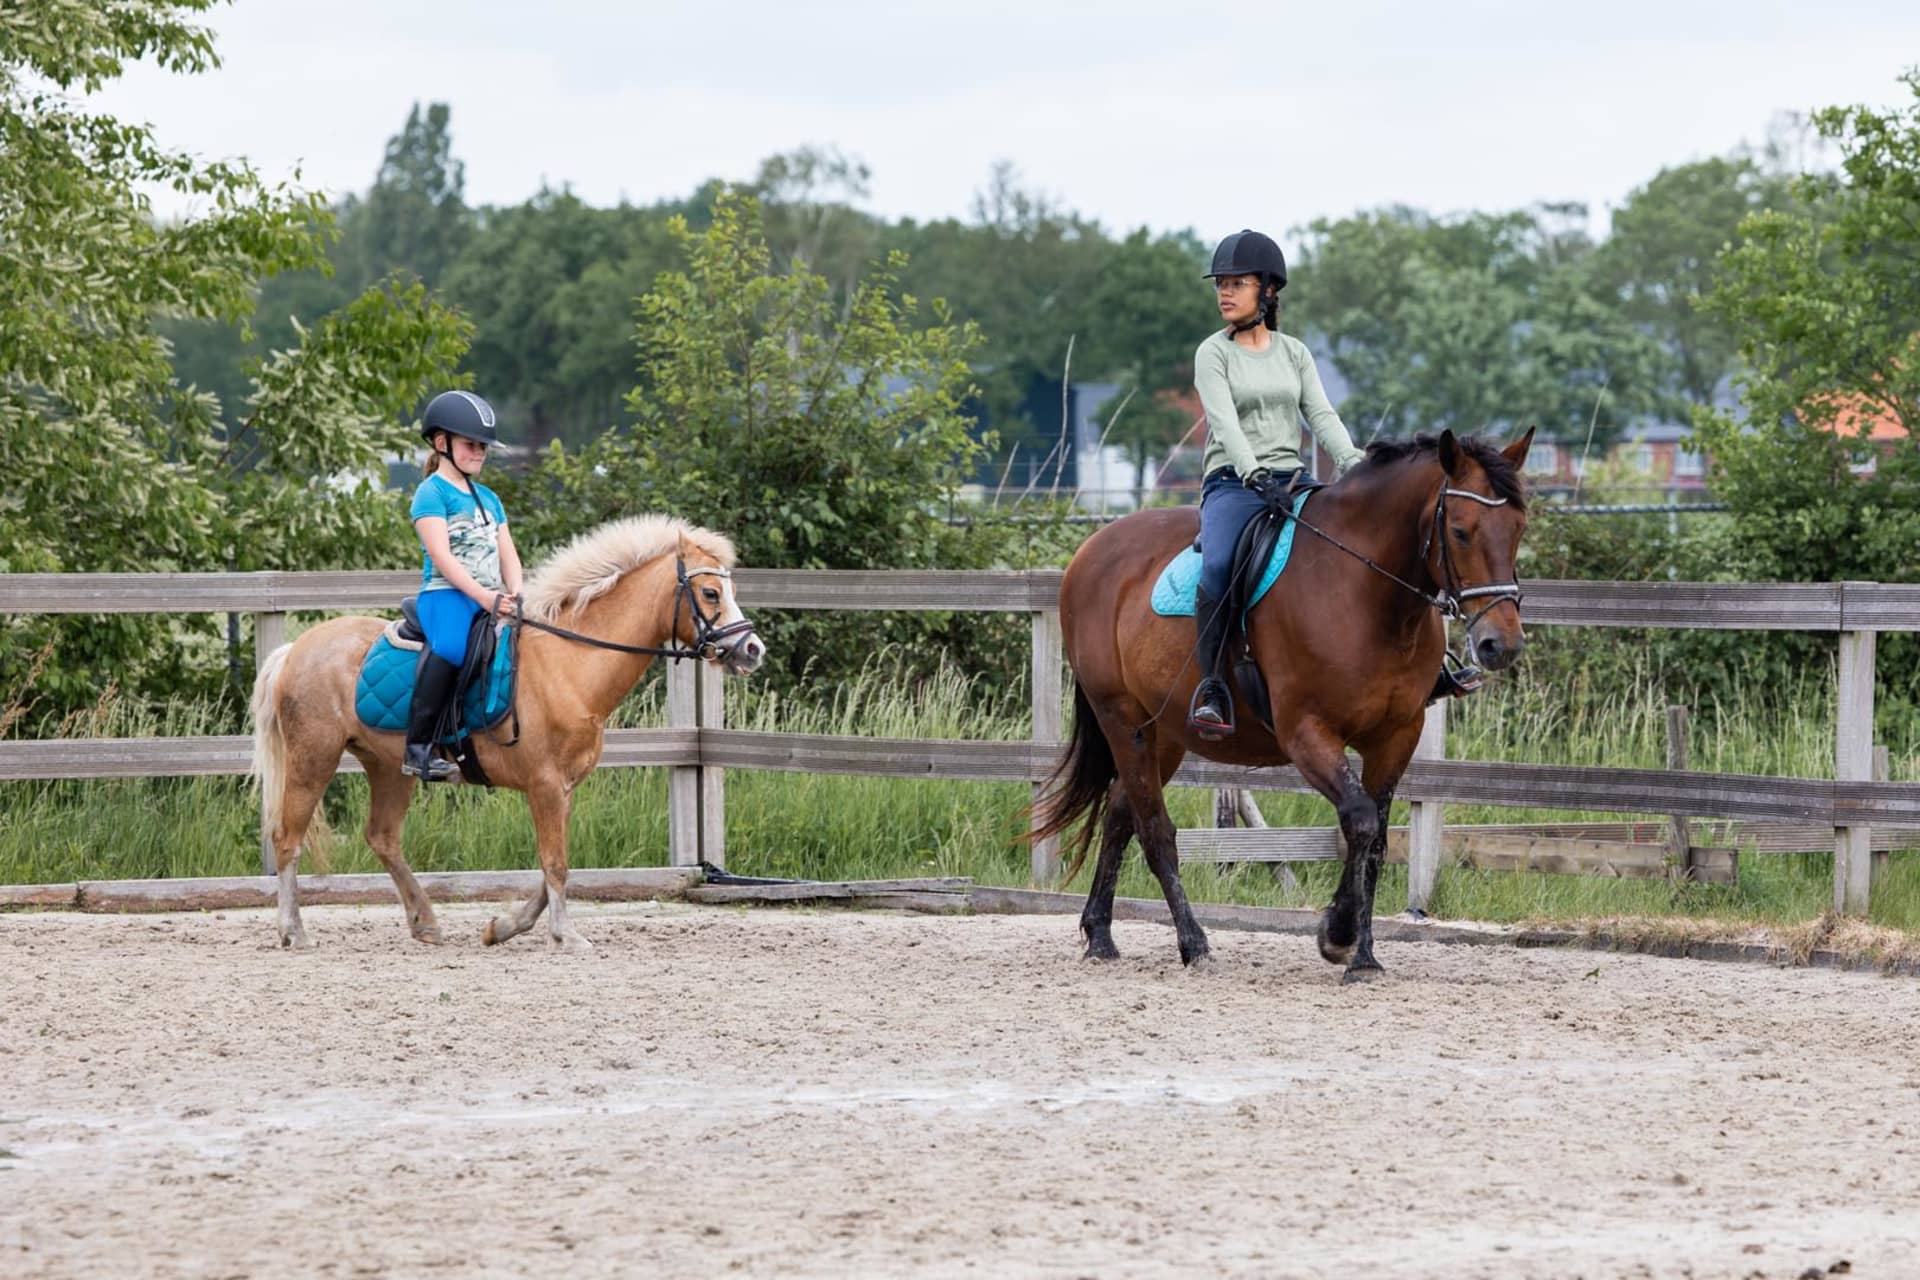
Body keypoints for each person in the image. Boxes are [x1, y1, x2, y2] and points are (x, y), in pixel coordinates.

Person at [1187, 228, 1366, 741]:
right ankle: (1213, 687)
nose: (1224, 291)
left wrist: (1354, 464)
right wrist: (1253, 473)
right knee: (1219, 565)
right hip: (1232, 484)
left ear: (1267, 291)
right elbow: (1224, 424)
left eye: (1236, 283)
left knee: (1357, 544)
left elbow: (1322, 415)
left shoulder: (1295, 354)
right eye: (1220, 283)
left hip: (1291, 482)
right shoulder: (1213, 354)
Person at [403, 390, 523, 782]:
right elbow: (443, 559)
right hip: (446, 595)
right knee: (451, 647)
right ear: (443, 444)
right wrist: (486, 597)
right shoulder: (431, 493)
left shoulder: (490, 498)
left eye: (483, 447)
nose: (480, 453)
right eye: (471, 445)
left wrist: (515, 593)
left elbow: (508, 553)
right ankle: (418, 748)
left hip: (490, 597)